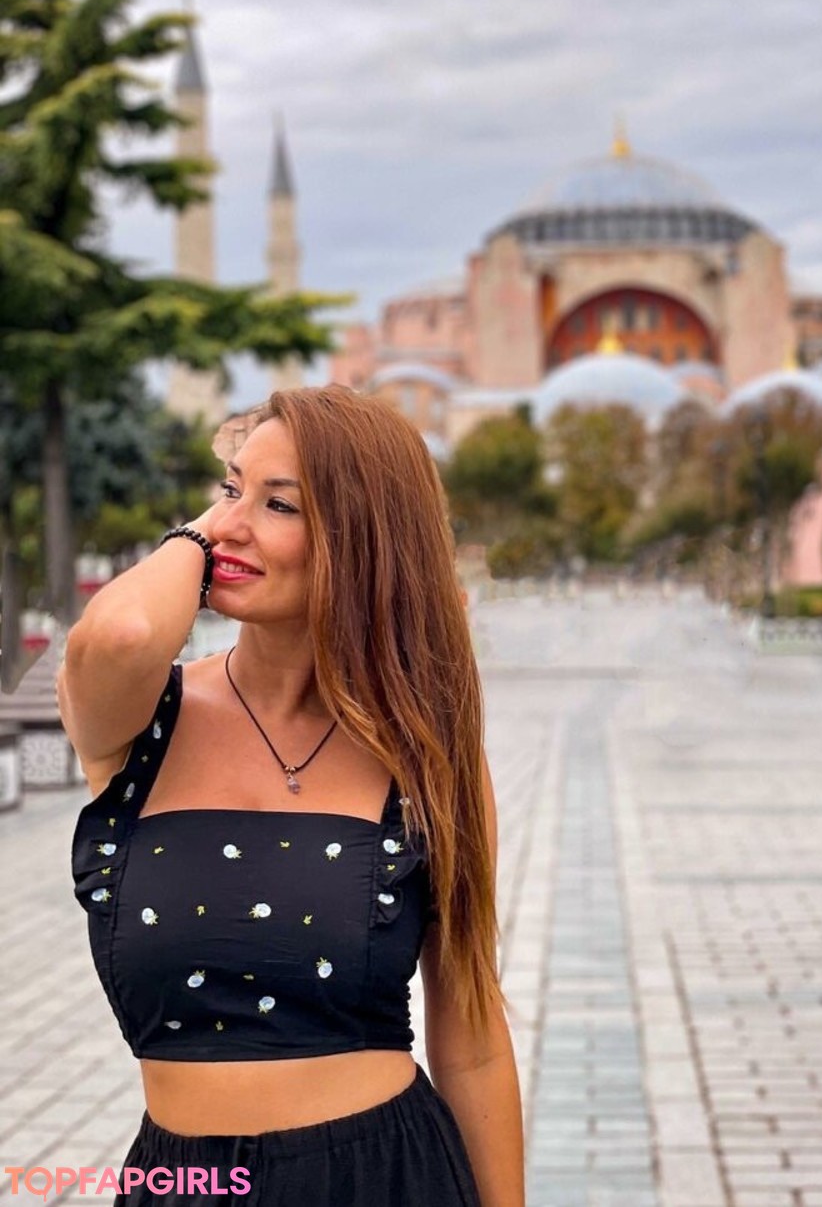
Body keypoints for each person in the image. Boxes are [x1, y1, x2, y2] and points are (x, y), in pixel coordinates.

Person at [59, 385, 525, 1207]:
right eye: (229, 488)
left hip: (384, 1179)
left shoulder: (427, 756)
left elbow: (474, 1041)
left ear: (363, 540)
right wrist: (205, 534)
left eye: (280, 504)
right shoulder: (142, 721)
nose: (228, 525)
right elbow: (121, 632)